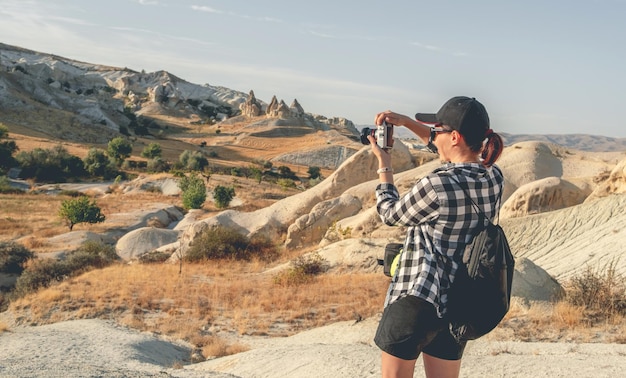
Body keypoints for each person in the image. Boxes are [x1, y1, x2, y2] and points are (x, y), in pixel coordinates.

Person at [368, 96, 505, 378]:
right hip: (458, 303)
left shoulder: (438, 184)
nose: (433, 136)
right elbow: (449, 152)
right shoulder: (494, 177)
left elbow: (390, 214)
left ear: (454, 136)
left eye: (438, 130)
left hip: (418, 297)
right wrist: (407, 123)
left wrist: (384, 165)